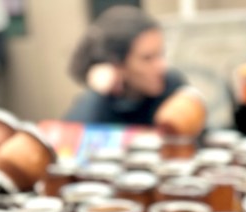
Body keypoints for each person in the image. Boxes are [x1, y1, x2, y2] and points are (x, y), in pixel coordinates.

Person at [64, 6, 192, 127]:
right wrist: (96, 93)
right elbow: (70, 138)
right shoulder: (101, 101)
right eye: (147, 58)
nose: (161, 66)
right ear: (118, 64)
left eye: (161, 54)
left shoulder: (171, 86)